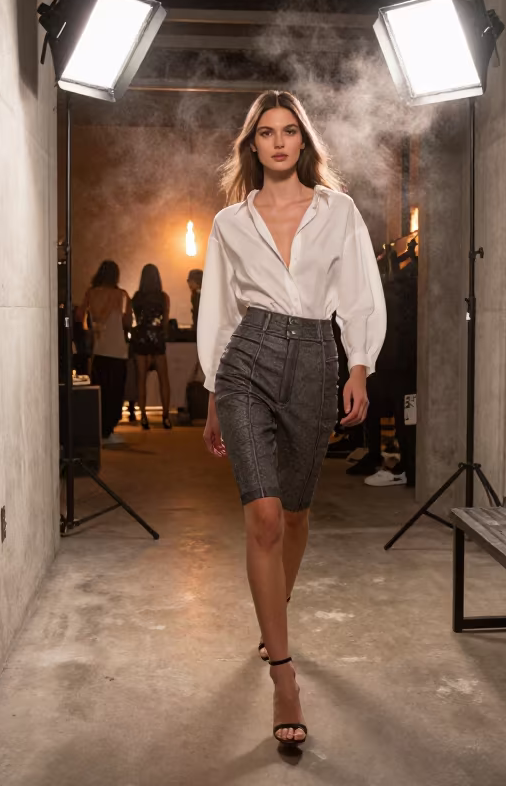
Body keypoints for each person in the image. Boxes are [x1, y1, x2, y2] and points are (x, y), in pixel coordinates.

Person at [197, 90, 386, 747]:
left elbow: (360, 291)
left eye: (289, 132)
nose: (278, 142)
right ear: (253, 146)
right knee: (265, 515)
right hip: (248, 360)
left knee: (298, 515)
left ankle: (271, 617)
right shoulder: (230, 224)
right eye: (266, 133)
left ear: (302, 143)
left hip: (315, 358)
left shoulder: (339, 212)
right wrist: (215, 391)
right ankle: (284, 673)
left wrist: (358, 366)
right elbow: (217, 312)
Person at [78, 260, 131, 448]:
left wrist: (91, 328)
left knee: (100, 390)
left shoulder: (90, 294)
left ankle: (99, 430)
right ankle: (109, 430)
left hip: (98, 350)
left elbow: (79, 315)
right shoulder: (121, 295)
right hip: (117, 350)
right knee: (115, 391)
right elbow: (127, 322)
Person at [131, 264, 172, 429]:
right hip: (157, 338)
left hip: (141, 338)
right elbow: (166, 320)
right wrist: (163, 333)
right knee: (164, 379)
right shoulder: (163, 297)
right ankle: (166, 416)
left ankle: (144, 418)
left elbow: (136, 318)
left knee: (141, 379)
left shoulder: (137, 297)